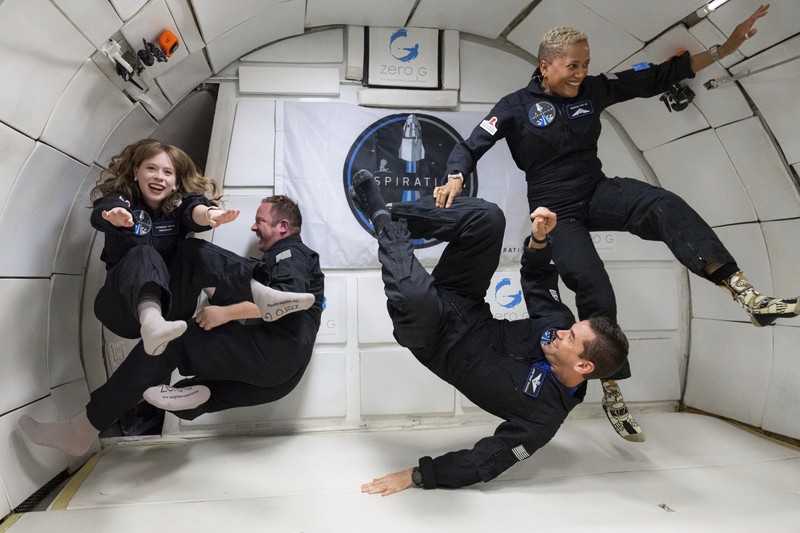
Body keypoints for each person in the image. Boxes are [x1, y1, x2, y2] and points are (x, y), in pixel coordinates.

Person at [435, 5, 794, 442]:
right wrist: (455, 174)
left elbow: (658, 77)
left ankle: (745, 294)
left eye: (585, 65)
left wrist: (726, 47)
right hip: (555, 210)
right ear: (545, 66)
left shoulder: (594, 91)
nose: (580, 74)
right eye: (572, 66)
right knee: (593, 286)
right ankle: (611, 387)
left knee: (663, 204)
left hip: (597, 190)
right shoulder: (514, 107)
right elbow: (472, 144)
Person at [350, 171, 629, 494]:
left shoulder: (541, 419)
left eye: (571, 338)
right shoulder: (558, 326)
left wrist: (417, 475)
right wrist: (540, 240)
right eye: (570, 328)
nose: (562, 332)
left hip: (432, 338)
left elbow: (483, 461)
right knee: (489, 218)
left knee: (414, 296)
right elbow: (538, 281)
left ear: (583, 365)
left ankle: (382, 217)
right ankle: (390, 213)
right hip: (464, 302)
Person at [19, 195, 323, 457]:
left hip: (278, 350)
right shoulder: (286, 261)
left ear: (283, 227)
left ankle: (81, 429)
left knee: (171, 341)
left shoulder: (290, 252)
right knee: (197, 391)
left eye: (260, 221)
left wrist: (226, 313)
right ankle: (191, 394)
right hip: (283, 376)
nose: (254, 226)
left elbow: (287, 299)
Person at [90, 138, 239, 355]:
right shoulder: (122, 201)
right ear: (135, 172)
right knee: (144, 253)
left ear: (176, 183)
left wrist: (211, 214)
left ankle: (257, 289)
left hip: (173, 307)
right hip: (124, 308)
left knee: (192, 248)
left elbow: (194, 209)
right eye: (151, 168)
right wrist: (115, 216)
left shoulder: (178, 207)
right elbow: (106, 209)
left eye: (168, 172)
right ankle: (151, 322)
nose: (159, 176)